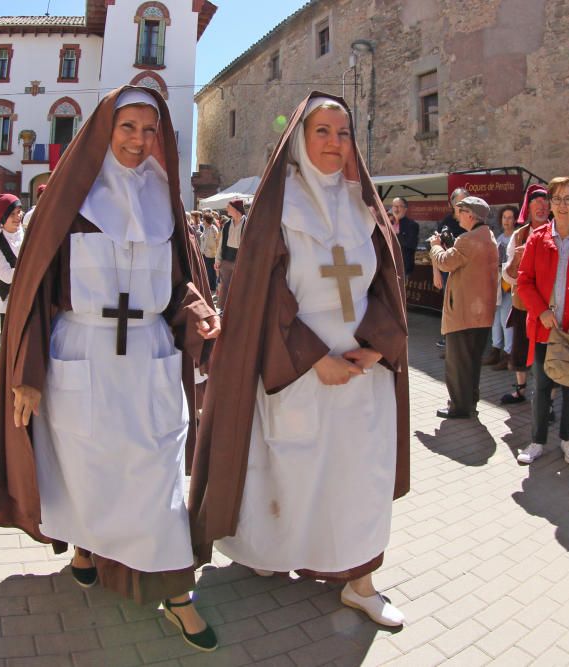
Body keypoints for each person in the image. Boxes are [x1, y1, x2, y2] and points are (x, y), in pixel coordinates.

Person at [0, 87, 220, 651]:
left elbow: (178, 285)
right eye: (128, 127)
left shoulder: (166, 201)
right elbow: (36, 294)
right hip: (81, 351)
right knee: (84, 469)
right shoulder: (67, 203)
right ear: (104, 131)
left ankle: (177, 592)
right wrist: (28, 373)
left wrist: (199, 313)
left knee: (156, 472)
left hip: (148, 355)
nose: (139, 141)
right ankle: (87, 548)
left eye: (150, 130)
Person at [188, 93, 409, 627]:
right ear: (300, 141)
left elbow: (387, 285)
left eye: (343, 132)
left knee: (360, 477)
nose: (335, 143)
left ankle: (360, 581)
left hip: (362, 371)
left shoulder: (364, 205)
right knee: (290, 474)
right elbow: (265, 296)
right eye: (323, 132)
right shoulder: (279, 205)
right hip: (297, 368)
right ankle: (272, 554)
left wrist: (378, 345)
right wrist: (313, 359)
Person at [515, 177, 569, 465]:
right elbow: (525, 281)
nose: (562, 205)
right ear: (549, 204)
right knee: (541, 388)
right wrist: (541, 311)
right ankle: (537, 441)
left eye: (568, 199)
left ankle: (568, 441)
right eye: (557, 199)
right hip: (545, 329)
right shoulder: (537, 238)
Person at [430, 196, 498, 419]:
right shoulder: (488, 237)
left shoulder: (468, 239)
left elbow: (445, 262)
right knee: (472, 363)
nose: (456, 215)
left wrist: (436, 247)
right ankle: (470, 403)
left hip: (464, 313)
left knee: (458, 364)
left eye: (459, 211)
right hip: (481, 314)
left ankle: (459, 407)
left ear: (470, 215)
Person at [501, 184, 551, 404]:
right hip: (523, 303)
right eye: (536, 203)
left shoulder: (556, 232)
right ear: (528, 208)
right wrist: (518, 260)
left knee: (549, 355)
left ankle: (547, 401)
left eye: (545, 202)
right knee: (520, 350)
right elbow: (508, 276)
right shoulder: (519, 235)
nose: (541, 207)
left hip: (550, 307)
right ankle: (520, 390)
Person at [432, 188, 469, 348]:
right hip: (449, 270)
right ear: (452, 204)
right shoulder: (445, 222)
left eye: (464, 202)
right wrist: (436, 272)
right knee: (450, 304)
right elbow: (435, 246)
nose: (461, 206)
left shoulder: (471, 221)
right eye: (458, 202)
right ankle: (449, 337)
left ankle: (464, 339)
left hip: (468, 271)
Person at [485, 205, 519, 369]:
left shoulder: (517, 237)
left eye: (510, 217)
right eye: (504, 217)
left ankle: (508, 354)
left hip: (509, 285)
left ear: (515, 220)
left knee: (506, 318)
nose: (507, 221)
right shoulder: (499, 238)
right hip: (498, 283)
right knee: (496, 318)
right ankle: (495, 350)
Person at [0, 193, 25, 333]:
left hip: (33, 300)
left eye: (19, 212)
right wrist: (30, 267)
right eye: (12, 214)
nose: (17, 217)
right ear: (3, 217)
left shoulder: (29, 234)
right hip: (10, 304)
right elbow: (6, 275)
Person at [215, 198, 247, 310]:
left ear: (236, 209)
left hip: (241, 261)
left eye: (229, 207)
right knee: (224, 288)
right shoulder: (227, 224)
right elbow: (221, 244)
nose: (226, 209)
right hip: (226, 259)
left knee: (239, 287)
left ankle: (237, 310)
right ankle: (223, 310)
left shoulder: (247, 224)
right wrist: (218, 260)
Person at [392, 197, 420, 280]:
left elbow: (410, 244)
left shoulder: (412, 225)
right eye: (394, 206)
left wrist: (397, 231)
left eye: (399, 206)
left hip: (403, 268)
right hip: (387, 266)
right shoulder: (387, 223)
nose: (396, 209)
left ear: (405, 209)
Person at [199, 210, 220, 293]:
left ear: (206, 220)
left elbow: (217, 241)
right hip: (204, 253)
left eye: (203, 219)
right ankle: (209, 286)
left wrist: (216, 252)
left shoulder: (213, 228)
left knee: (211, 271)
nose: (202, 220)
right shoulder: (206, 228)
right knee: (207, 271)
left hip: (211, 254)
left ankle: (213, 287)